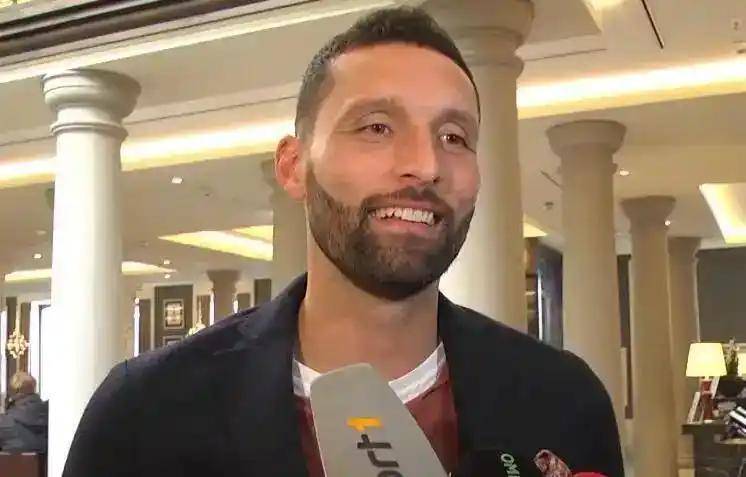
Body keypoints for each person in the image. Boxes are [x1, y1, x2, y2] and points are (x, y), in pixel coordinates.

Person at [63, 7, 624, 477]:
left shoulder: (563, 401)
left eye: (454, 137)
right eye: (377, 127)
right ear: (293, 166)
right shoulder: (145, 414)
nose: (426, 164)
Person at [0, 371, 48, 453]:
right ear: (34, 388)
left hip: (13, 461)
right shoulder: (52, 415)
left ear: (14, 392)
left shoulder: (4, 422)